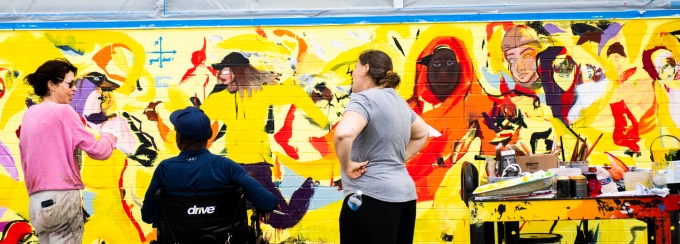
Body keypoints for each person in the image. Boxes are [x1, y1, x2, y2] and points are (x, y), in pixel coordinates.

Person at [334, 49, 429, 243]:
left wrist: (347, 165)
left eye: (354, 68)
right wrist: (395, 160)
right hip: (405, 198)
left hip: (371, 196)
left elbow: (343, 134)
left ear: (365, 68)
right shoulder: (399, 102)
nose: (352, 74)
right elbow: (422, 133)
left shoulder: (364, 100)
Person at [19, 58, 118, 243]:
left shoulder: (29, 115)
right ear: (52, 85)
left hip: (37, 201)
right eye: (69, 83)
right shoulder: (63, 111)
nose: (74, 89)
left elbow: (25, 158)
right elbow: (99, 151)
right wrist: (109, 133)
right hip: (62, 198)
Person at [140, 106, 278, 226]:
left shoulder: (165, 169)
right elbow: (268, 202)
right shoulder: (227, 167)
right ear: (209, 136)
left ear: (179, 137)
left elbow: (148, 216)